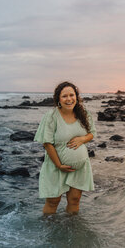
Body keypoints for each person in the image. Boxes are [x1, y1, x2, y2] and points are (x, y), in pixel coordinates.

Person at [34, 81, 96, 215]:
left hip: (79, 169)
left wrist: (82, 139)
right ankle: (50, 232)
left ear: (76, 97)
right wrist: (59, 165)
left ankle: (71, 231)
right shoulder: (51, 117)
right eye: (64, 96)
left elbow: (92, 133)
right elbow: (47, 143)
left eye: (72, 95)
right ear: (58, 99)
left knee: (74, 200)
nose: (69, 99)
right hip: (56, 167)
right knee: (53, 201)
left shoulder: (84, 113)